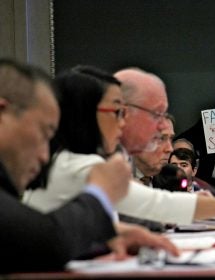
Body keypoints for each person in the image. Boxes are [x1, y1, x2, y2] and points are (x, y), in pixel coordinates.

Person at [25, 66, 215, 227]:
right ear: (89, 115)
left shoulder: (88, 158)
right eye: (116, 112)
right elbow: (155, 205)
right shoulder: (83, 165)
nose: (163, 126)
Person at [0, 59, 178, 273]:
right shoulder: (83, 165)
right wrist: (99, 193)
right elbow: (45, 243)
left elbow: (32, 232)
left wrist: (109, 234)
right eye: (43, 133)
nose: (44, 155)